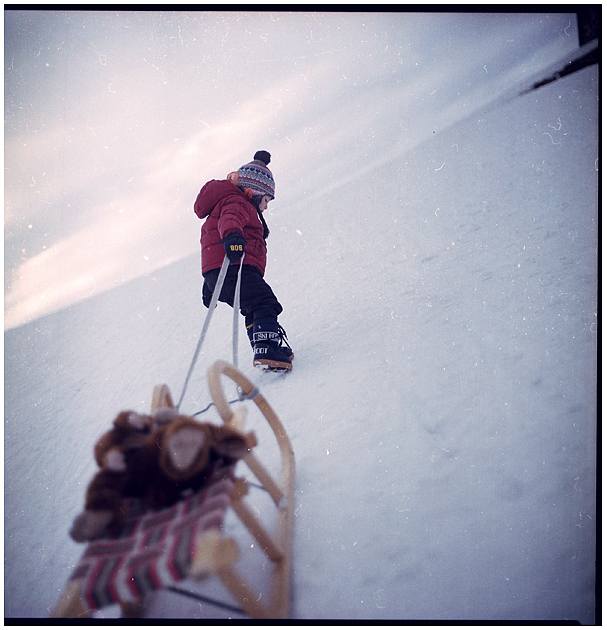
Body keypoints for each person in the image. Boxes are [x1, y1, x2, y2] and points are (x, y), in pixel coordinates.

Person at [194, 151, 293, 371]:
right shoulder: (238, 202)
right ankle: (266, 349)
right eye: (266, 200)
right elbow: (230, 221)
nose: (266, 207)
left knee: (252, 308)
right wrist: (233, 237)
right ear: (254, 193)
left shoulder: (229, 203)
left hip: (222, 273)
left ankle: (264, 347)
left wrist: (210, 282)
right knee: (265, 302)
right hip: (236, 268)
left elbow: (212, 250)